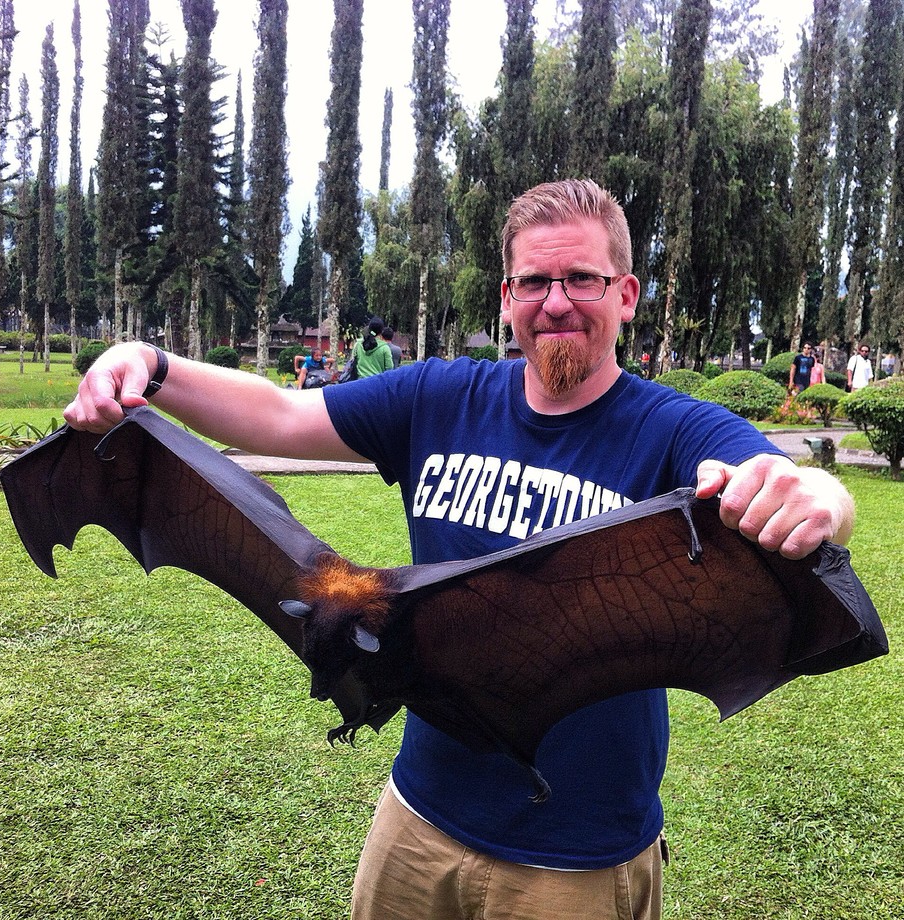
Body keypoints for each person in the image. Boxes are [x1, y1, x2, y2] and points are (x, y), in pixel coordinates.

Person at [64, 179, 854, 920]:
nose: (556, 304)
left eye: (581, 278)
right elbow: (276, 414)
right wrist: (152, 365)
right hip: (420, 814)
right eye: (533, 284)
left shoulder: (672, 429)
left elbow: (778, 477)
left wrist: (822, 499)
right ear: (507, 297)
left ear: (625, 294)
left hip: (577, 854)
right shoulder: (439, 398)